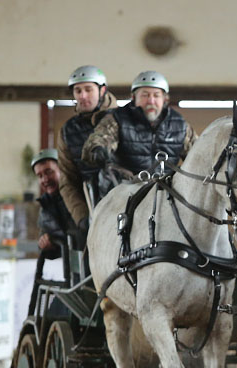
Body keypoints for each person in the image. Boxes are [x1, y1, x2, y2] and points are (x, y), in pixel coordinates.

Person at [82, 70, 196, 183]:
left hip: (166, 191)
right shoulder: (117, 119)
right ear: (133, 97)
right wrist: (98, 150)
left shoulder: (179, 125)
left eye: (156, 95)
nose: (151, 101)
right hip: (125, 188)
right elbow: (97, 141)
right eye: (145, 95)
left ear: (165, 99)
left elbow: (199, 153)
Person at [55, 65, 118, 232]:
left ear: (102, 90)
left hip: (127, 205)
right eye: (78, 90)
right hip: (91, 209)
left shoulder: (125, 120)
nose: (83, 96)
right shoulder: (68, 131)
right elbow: (67, 179)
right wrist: (82, 217)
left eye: (88, 89)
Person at [31, 149, 76, 259]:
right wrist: (46, 244)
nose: (45, 179)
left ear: (61, 169)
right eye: (40, 176)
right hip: (73, 268)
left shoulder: (79, 195)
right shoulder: (45, 206)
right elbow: (51, 247)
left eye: (49, 171)